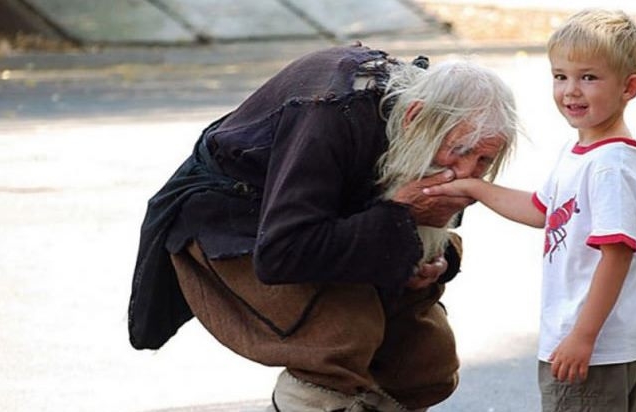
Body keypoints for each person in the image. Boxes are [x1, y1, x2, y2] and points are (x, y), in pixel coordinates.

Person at [127, 42, 519, 411]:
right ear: (416, 117)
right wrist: (399, 221)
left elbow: (420, 229)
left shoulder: (437, 134)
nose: (466, 173)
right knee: (340, 337)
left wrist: (436, 258)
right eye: (461, 151)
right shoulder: (330, 111)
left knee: (423, 362)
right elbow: (283, 252)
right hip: (238, 223)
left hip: (333, 231)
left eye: (483, 160)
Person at [425, 9, 636, 412]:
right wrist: (475, 187)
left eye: (589, 77)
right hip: (609, 343)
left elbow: (616, 255)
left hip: (592, 349)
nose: (571, 91)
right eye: (560, 76)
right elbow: (540, 210)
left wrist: (582, 337)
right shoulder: (582, 151)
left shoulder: (608, 167)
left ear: (629, 87)